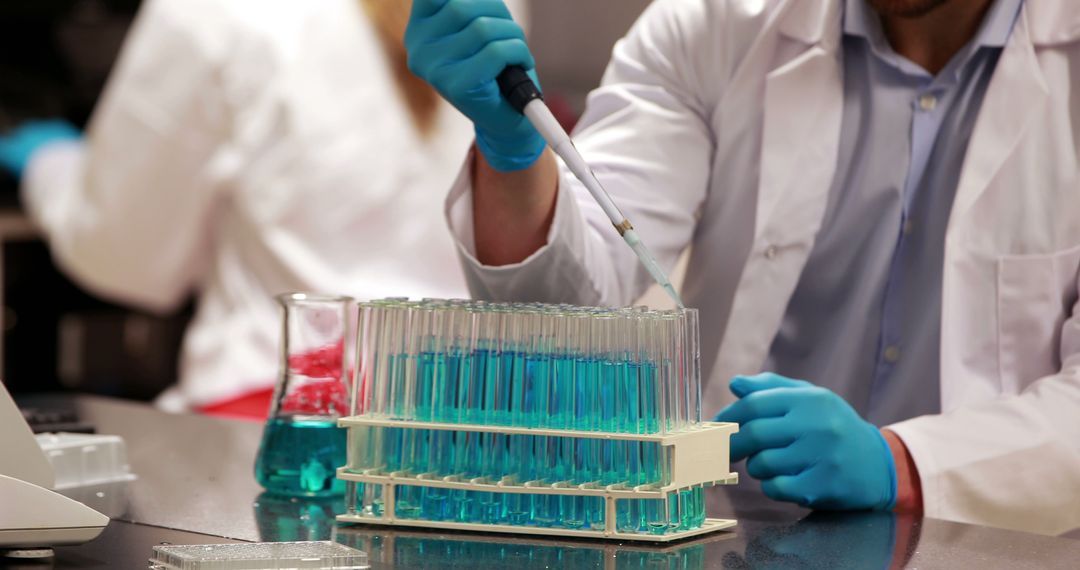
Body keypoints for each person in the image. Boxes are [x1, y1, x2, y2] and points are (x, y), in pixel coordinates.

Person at [403, 0, 1080, 535]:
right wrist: (513, 152)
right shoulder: (714, 26)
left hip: (998, 543)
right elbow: (567, 306)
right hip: (738, 539)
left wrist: (901, 465)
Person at [0, 0, 526, 417]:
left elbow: (123, 257)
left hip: (290, 427)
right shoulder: (486, 7)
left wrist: (48, 162)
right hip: (470, 422)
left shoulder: (216, 12)